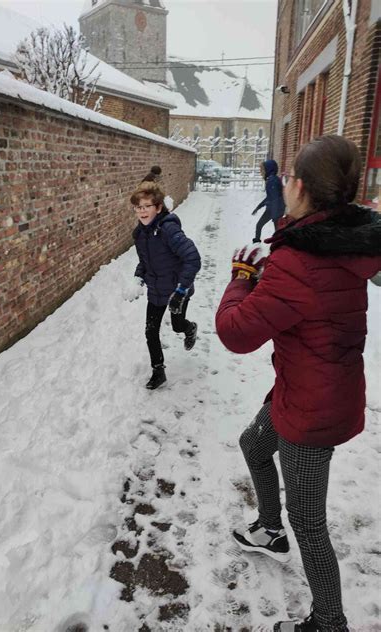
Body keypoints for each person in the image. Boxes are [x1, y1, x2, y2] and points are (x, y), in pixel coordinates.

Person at [215, 135, 381, 631]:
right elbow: (307, 294)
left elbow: (235, 332)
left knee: (308, 521)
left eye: (287, 177)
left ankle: (329, 622)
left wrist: (243, 278)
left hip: (312, 411)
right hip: (308, 387)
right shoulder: (345, 240)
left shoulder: (300, 260)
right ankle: (269, 529)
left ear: (302, 187)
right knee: (252, 443)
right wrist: (272, 279)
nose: (283, 184)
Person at [132, 181, 201, 389]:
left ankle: (190, 329)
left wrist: (181, 290)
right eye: (138, 207)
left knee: (177, 325)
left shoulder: (168, 230)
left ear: (158, 207)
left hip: (176, 291)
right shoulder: (139, 234)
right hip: (155, 290)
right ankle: (158, 371)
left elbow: (193, 258)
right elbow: (145, 262)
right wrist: (138, 278)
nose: (142, 211)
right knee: (150, 331)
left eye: (147, 206)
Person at [251, 159, 285, 242]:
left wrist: (275, 216)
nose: (261, 172)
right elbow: (269, 197)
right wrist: (258, 207)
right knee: (259, 225)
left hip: (276, 209)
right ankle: (257, 242)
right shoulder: (271, 179)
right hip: (272, 209)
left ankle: (279, 248)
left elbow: (275, 199)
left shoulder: (272, 180)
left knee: (277, 232)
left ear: (268, 169)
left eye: (262, 170)